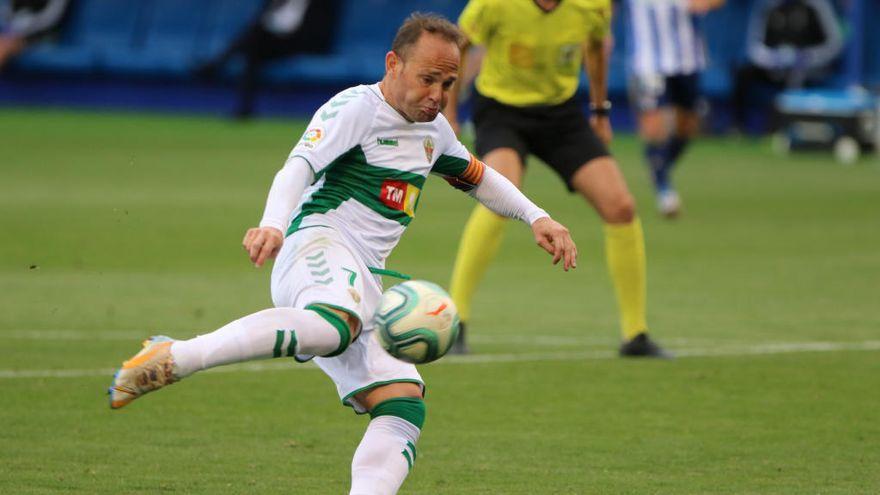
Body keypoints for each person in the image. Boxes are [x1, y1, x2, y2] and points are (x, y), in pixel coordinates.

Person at [109, 14, 577, 495]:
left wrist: (537, 216)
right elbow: (298, 166)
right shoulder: (355, 107)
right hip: (317, 242)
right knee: (337, 325)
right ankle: (177, 356)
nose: (438, 94)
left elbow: (479, 177)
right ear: (393, 64)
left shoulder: (435, 132)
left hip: (361, 277)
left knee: (403, 404)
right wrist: (272, 223)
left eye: (449, 82)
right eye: (428, 79)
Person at [445, 0, 670, 357]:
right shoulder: (494, 4)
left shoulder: (591, 6)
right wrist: (450, 111)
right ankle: (456, 321)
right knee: (501, 197)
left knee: (621, 207)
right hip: (501, 111)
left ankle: (635, 334)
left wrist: (599, 111)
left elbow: (596, 46)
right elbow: (458, 43)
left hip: (560, 115)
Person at [624, 0, 725, 217]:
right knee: (654, 128)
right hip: (648, 62)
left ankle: (659, 167)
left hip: (688, 61)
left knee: (688, 127)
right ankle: (664, 190)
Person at [195, 0, 341, 119]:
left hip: (304, 43)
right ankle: (244, 109)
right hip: (277, 40)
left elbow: (323, 32)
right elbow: (264, 19)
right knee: (254, 48)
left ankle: (217, 64)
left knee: (255, 38)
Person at [731, 0, 842, 133]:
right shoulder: (768, 6)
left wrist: (808, 57)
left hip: (810, 70)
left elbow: (834, 44)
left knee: (797, 78)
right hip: (775, 68)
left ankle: (796, 128)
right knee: (743, 74)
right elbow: (754, 47)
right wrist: (773, 58)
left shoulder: (816, 5)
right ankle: (738, 127)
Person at [0, 0, 69, 70]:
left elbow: (52, 17)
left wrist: (20, 33)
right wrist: (11, 30)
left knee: (4, 46)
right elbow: (7, 12)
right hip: (16, 33)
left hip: (43, 37)